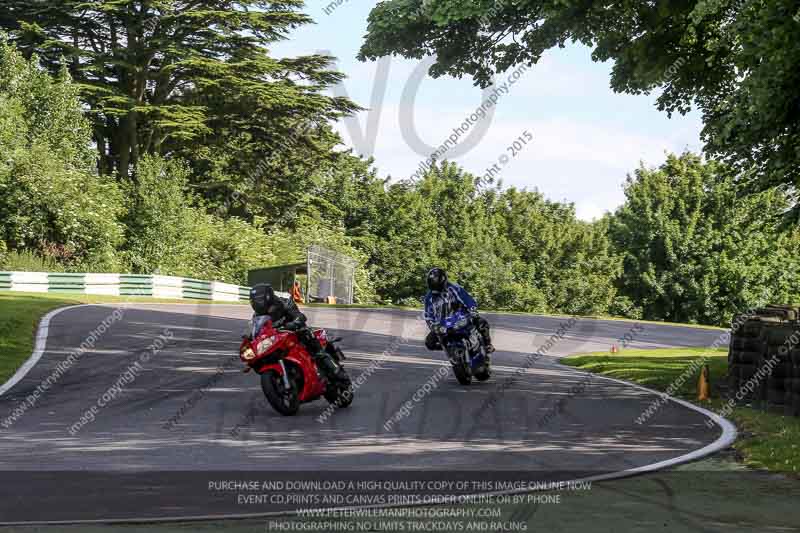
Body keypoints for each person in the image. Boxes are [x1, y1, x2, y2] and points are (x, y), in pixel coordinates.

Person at [248, 283, 346, 382]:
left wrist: (294, 323)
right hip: (277, 339)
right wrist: (251, 340)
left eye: (259, 300)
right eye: (255, 300)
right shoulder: (257, 316)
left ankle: (332, 366)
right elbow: (258, 331)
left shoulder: (284, 302)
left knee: (306, 335)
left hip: (294, 331)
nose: (257, 303)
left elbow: (299, 316)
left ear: (268, 297)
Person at [423, 268, 494, 353]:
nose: (436, 290)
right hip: (444, 324)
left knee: (482, 323)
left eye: (437, 286)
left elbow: (468, 299)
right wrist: (434, 326)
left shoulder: (454, 288)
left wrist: (473, 311)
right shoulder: (428, 297)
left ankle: (487, 345)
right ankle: (450, 349)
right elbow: (428, 316)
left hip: (461, 318)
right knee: (429, 343)